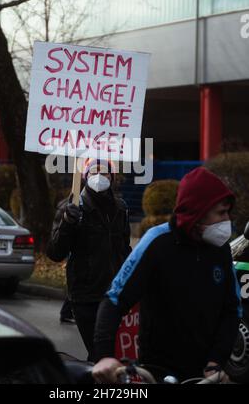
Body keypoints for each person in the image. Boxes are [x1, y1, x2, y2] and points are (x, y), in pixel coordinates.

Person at [92, 167, 242, 383]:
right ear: (197, 213)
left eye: (228, 212)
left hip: (205, 374)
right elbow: (114, 300)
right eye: (221, 213)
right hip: (157, 371)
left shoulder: (221, 250)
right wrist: (104, 356)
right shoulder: (157, 242)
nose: (226, 220)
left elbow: (232, 310)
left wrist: (216, 361)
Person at [47, 158, 131, 361]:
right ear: (85, 176)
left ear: (112, 177)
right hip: (86, 295)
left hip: (114, 295)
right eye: (94, 172)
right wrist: (68, 223)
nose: (100, 177)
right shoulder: (71, 207)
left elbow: (124, 248)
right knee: (100, 354)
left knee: (113, 355)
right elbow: (55, 252)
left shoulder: (120, 208)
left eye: (105, 172)